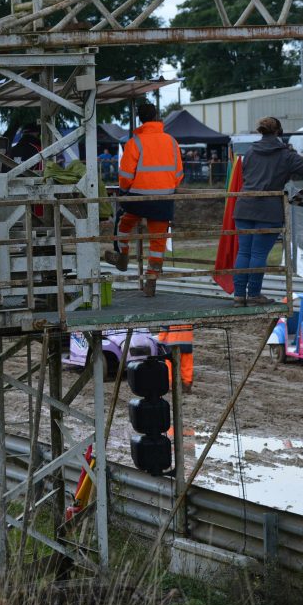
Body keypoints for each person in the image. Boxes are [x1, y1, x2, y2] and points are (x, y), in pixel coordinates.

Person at [233, 117, 303, 306]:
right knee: (258, 254)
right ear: (279, 132)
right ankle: (253, 295)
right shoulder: (285, 155)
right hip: (268, 210)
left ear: (260, 131)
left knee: (244, 252)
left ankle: (239, 295)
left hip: (244, 205)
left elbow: (245, 174)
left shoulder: (251, 151)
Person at [103, 103, 183, 297]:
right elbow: (179, 173)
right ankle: (151, 279)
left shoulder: (135, 142)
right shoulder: (171, 141)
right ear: (157, 116)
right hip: (164, 198)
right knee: (158, 240)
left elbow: (125, 175)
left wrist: (124, 192)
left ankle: (122, 256)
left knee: (122, 223)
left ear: (139, 118)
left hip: (139, 197)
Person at [157, 324, 194, 394]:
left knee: (170, 365)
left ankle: (170, 385)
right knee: (186, 365)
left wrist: (160, 341)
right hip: (187, 342)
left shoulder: (169, 315)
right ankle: (187, 385)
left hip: (173, 344)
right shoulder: (188, 313)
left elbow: (164, 329)